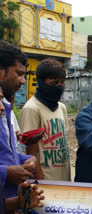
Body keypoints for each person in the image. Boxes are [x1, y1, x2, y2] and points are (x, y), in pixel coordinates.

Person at [19, 58, 70, 181]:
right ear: (41, 82)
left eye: (61, 83)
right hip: (46, 183)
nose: (59, 87)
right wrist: (41, 184)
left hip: (64, 181)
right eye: (54, 83)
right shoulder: (31, 109)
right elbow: (30, 152)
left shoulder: (61, 108)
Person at [0, 41, 39, 198]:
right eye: (19, 73)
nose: (23, 81)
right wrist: (5, 173)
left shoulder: (6, 107)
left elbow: (5, 154)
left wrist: (27, 159)